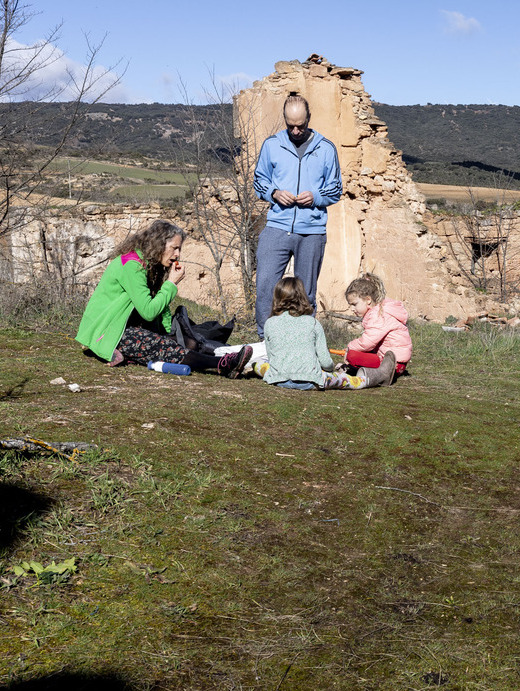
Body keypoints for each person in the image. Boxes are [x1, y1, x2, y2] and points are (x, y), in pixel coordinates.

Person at [75, 220, 252, 378]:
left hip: (128, 326)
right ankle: (222, 365)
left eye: (179, 248)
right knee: (164, 348)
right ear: (159, 245)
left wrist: (169, 333)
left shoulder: (151, 265)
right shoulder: (132, 265)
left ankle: (231, 357)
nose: (178, 254)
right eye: (174, 248)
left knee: (181, 341)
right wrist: (172, 284)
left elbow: (161, 308)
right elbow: (149, 312)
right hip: (109, 330)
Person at [253, 94, 342, 339]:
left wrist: (315, 196)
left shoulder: (326, 148)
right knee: (265, 288)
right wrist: (274, 193)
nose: (295, 130)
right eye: (290, 125)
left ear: (308, 120)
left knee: (306, 294)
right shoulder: (272, 145)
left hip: (312, 231)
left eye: (300, 125)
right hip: (277, 227)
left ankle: (303, 343)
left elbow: (335, 189)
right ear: (285, 120)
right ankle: (266, 339)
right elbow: (259, 182)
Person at [325, 273, 412, 389]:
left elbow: (367, 343)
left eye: (354, 304)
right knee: (357, 354)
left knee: (353, 355)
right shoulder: (378, 312)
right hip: (394, 361)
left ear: (368, 300)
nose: (352, 309)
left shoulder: (378, 315)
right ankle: (367, 371)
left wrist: (350, 347)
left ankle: (380, 375)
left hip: (393, 363)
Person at [261, 276, 334, 390]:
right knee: (337, 378)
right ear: (303, 297)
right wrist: (331, 367)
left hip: (279, 380)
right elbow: (325, 361)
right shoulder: (312, 323)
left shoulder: (269, 323)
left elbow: (272, 358)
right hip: (309, 381)